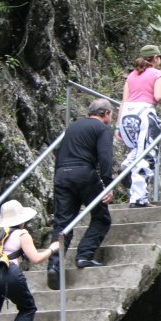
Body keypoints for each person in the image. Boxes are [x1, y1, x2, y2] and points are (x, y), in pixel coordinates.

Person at [47, 98, 115, 290]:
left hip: (62, 174)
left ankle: (54, 265)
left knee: (63, 223)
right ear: (106, 114)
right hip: (84, 173)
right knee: (101, 217)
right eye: (111, 114)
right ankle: (84, 255)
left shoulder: (73, 127)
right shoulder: (102, 129)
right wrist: (109, 185)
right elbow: (105, 157)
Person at [120, 44, 161, 208]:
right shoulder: (157, 74)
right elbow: (156, 96)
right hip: (144, 114)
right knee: (147, 155)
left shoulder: (131, 76)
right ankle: (138, 199)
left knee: (137, 149)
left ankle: (127, 166)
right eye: (159, 59)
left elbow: (124, 101)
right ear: (155, 58)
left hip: (127, 115)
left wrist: (118, 127)